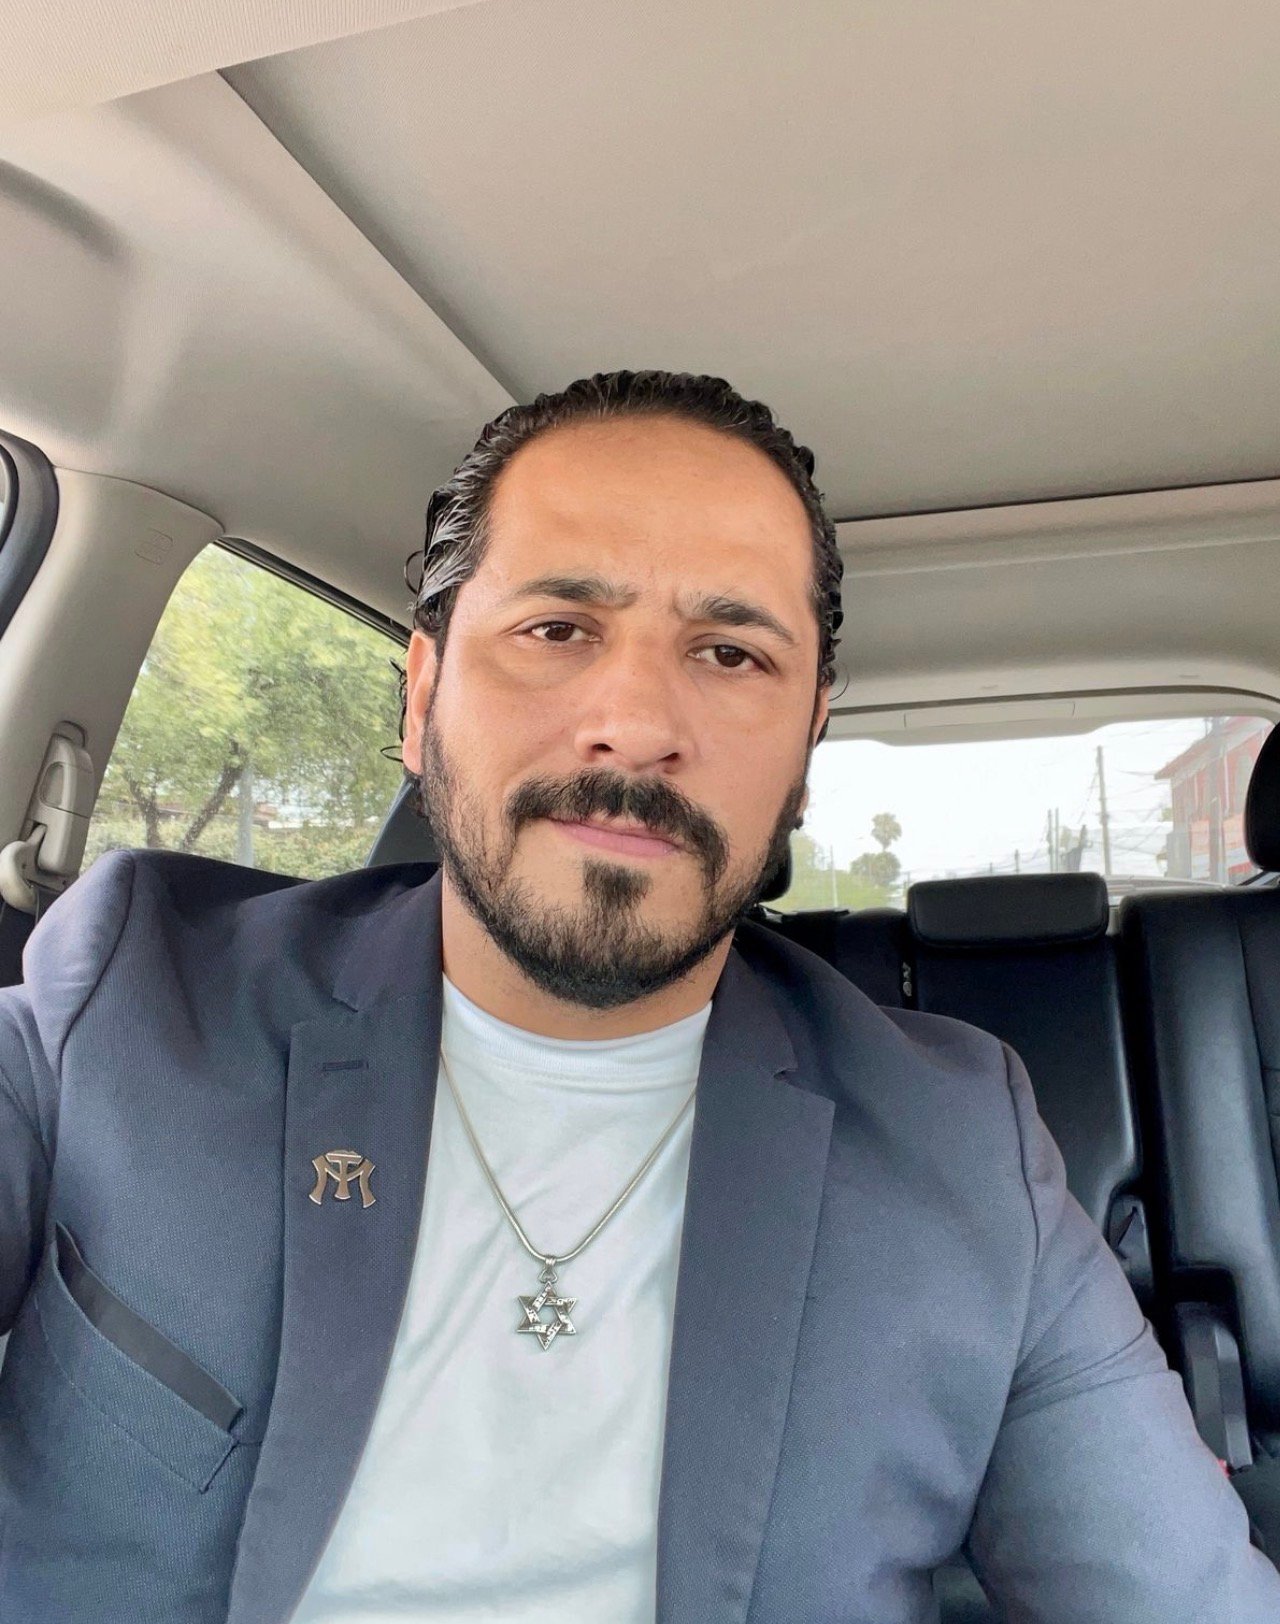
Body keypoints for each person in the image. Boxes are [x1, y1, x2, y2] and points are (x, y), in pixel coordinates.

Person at [0, 371, 1275, 1624]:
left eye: (729, 652)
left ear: (806, 747)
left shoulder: (960, 1151)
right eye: (557, 629)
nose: (635, 722)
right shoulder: (129, 997)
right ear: (422, 696)